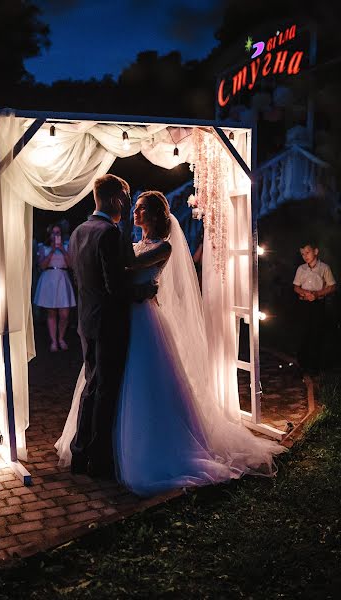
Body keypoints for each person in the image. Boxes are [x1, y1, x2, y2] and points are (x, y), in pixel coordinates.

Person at [56, 190, 285, 497]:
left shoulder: (162, 247)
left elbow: (128, 269)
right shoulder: (133, 243)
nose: (134, 214)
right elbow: (122, 270)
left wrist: (116, 258)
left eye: (139, 210)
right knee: (114, 383)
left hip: (145, 320)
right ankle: (109, 446)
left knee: (141, 382)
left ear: (152, 215)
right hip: (125, 317)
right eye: (133, 209)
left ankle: (143, 447)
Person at [65, 175, 157, 478]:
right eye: (127, 198)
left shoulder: (80, 231)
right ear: (118, 198)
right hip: (109, 323)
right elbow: (115, 288)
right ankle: (98, 460)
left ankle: (80, 454)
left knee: (92, 387)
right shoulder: (110, 233)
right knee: (105, 391)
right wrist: (144, 292)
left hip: (86, 320)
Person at [293, 242, 336, 374]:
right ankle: (302, 365)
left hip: (318, 304)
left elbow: (332, 286)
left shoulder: (324, 268)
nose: (305, 256)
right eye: (302, 254)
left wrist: (316, 294)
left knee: (316, 333)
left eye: (307, 252)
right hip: (304, 304)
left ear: (315, 251)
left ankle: (315, 366)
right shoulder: (301, 269)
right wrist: (304, 293)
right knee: (303, 333)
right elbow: (296, 286)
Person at [33, 223, 76, 352]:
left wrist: (62, 249)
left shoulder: (67, 246)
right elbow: (42, 265)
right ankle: (54, 341)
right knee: (51, 312)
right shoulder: (43, 248)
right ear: (50, 234)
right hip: (49, 279)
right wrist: (52, 250)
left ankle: (61, 337)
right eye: (54, 232)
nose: (56, 235)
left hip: (62, 279)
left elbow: (71, 264)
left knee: (64, 313)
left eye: (58, 233)